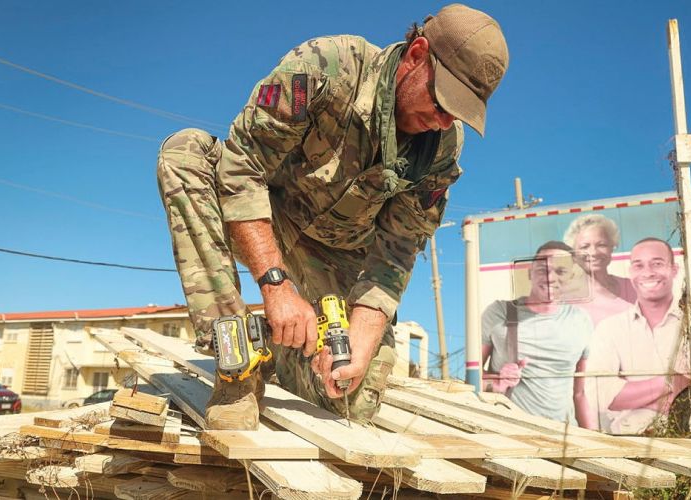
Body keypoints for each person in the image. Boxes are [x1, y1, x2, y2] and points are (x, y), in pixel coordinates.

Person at [155, 4, 509, 430]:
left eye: (458, 113)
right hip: (260, 215)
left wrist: (363, 332)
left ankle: (276, 344)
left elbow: (397, 250)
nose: (443, 120)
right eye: (441, 100)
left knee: (350, 398)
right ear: (416, 55)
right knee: (185, 154)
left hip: (337, 254)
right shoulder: (325, 67)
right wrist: (276, 285)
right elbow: (242, 165)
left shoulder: (442, 148)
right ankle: (239, 367)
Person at [481, 241, 594, 426]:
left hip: (565, 437)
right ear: (529, 273)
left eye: (560, 271)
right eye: (542, 269)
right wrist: (496, 383)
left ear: (571, 277)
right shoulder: (499, 312)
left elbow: (579, 393)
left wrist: (593, 442)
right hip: (510, 434)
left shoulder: (581, 320)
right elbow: (471, 376)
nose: (550, 277)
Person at [585, 237, 690, 433]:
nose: (648, 273)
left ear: (674, 270)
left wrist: (633, 398)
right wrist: (668, 383)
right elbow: (598, 395)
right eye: (638, 265)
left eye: (657, 264)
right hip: (629, 440)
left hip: (687, 435)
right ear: (631, 272)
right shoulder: (610, 328)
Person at [563, 214, 638, 325]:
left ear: (612, 247)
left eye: (601, 245)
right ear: (573, 255)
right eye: (585, 246)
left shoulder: (634, 287)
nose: (594, 252)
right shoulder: (566, 299)